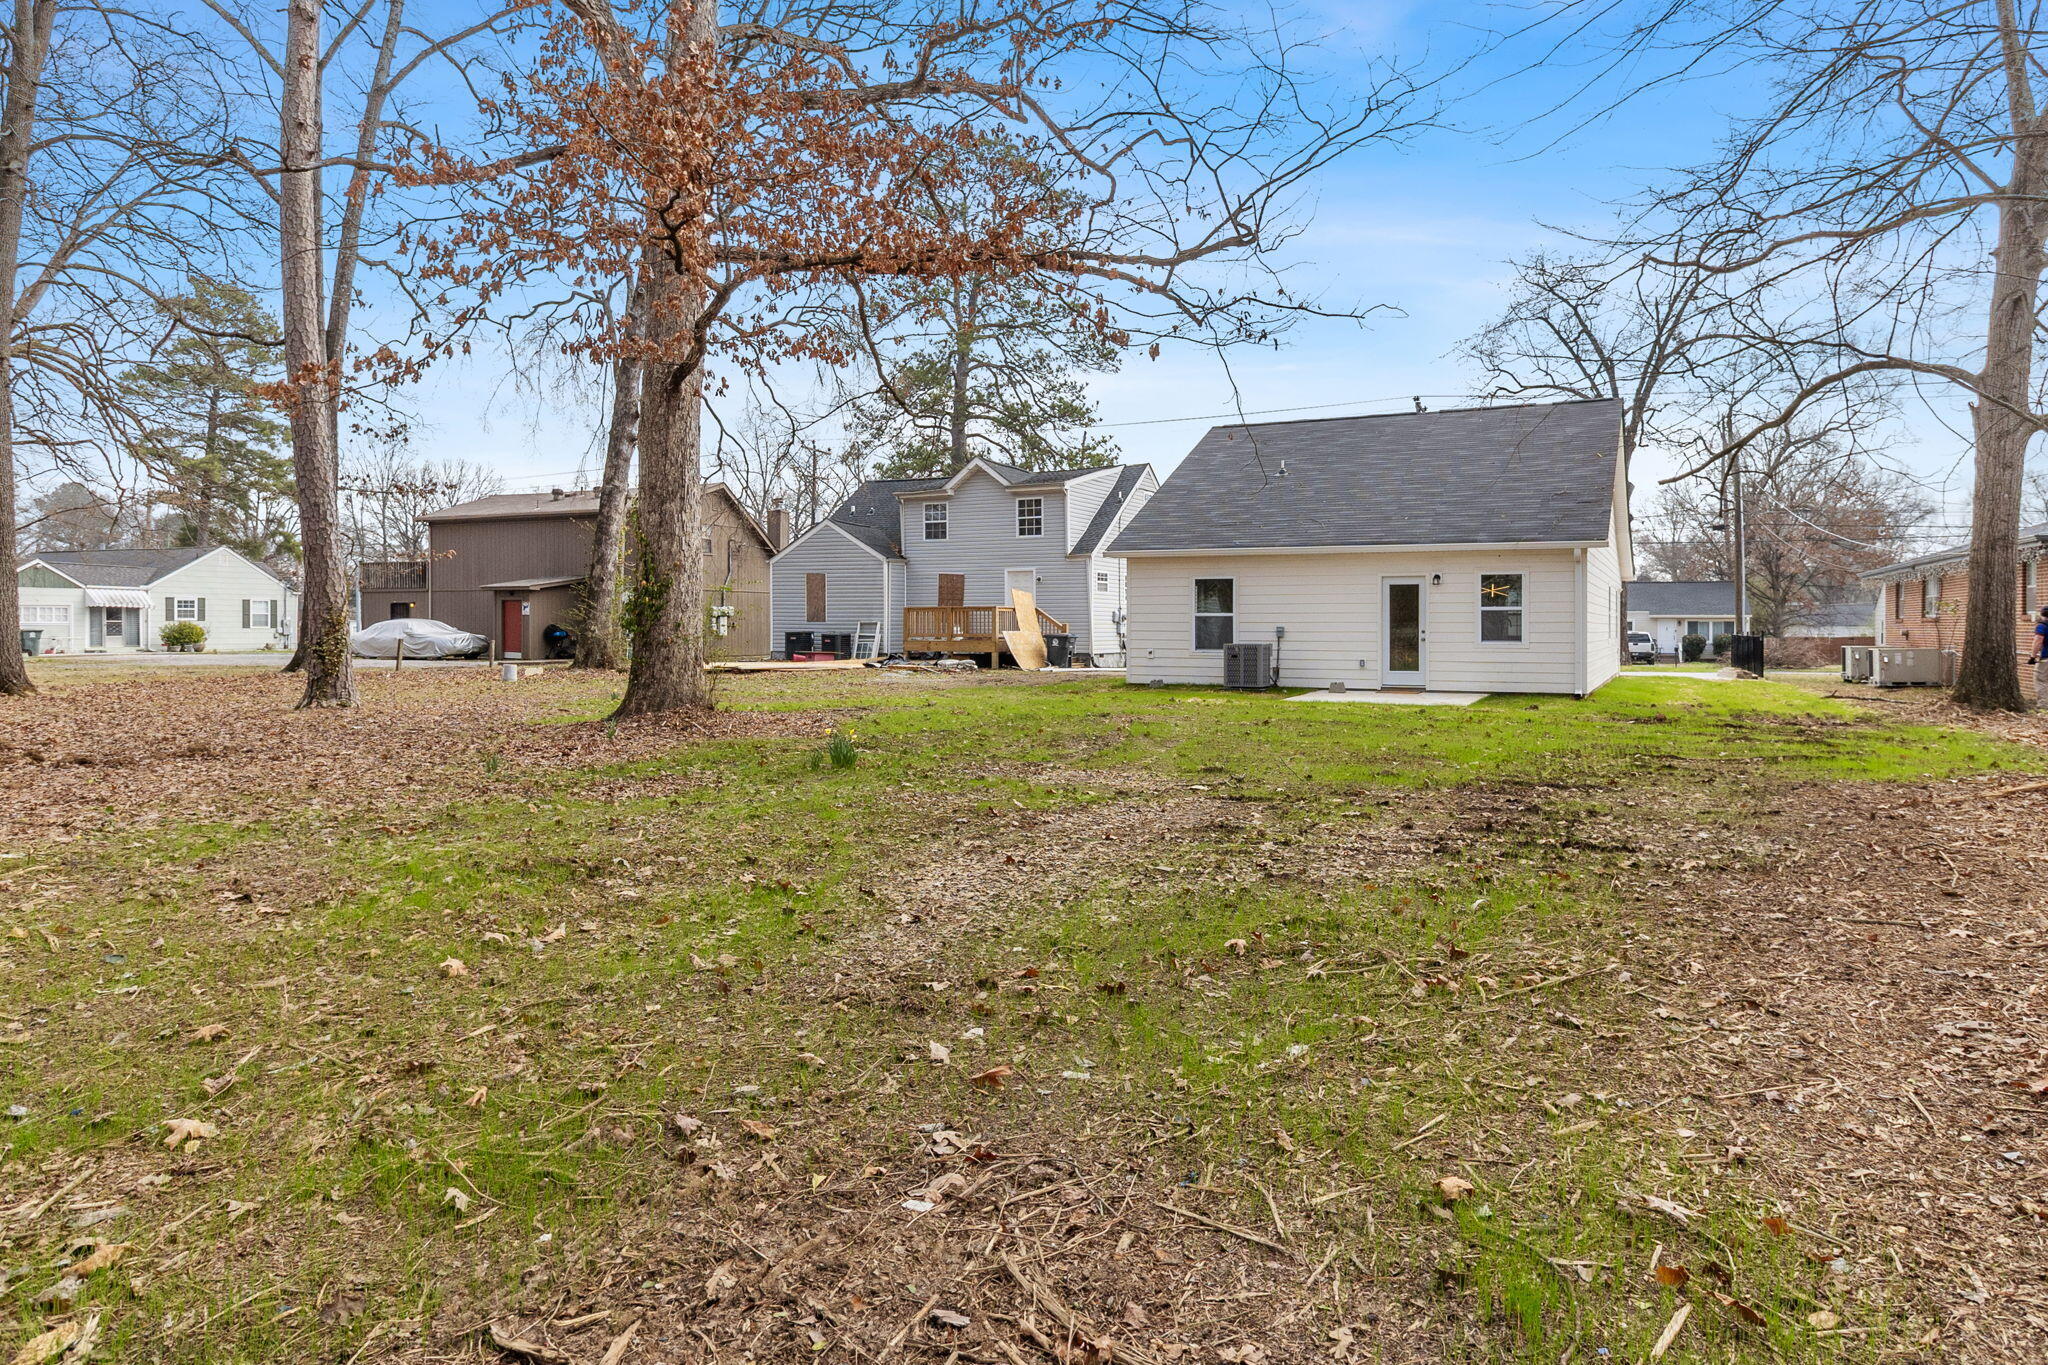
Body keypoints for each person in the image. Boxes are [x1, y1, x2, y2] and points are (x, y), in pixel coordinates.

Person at [2029, 604, 2048, 707]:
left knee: (2040, 680)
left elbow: (2038, 641)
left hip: (2046, 658)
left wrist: (2032, 657)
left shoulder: (2042, 626)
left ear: (2042, 614)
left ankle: (2043, 706)